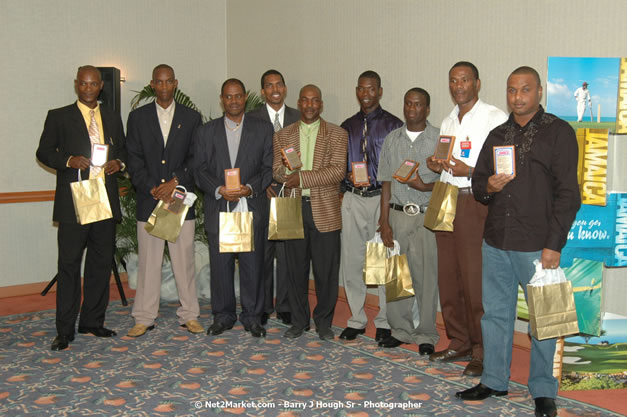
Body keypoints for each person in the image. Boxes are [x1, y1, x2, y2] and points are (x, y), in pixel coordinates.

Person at [457, 66, 581, 417]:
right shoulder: (499, 134)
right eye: (512, 90)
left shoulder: (558, 133)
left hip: (538, 245)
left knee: (542, 320)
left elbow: (569, 194)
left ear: (539, 92)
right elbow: (479, 184)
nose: (517, 97)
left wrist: (554, 244)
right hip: (496, 240)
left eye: (525, 90)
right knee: (495, 314)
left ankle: (543, 389)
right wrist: (488, 187)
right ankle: (495, 379)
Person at [36, 65, 126, 351]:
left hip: (104, 199)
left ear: (101, 86)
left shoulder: (111, 116)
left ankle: (92, 321)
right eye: (83, 84)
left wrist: (119, 164)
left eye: (93, 84)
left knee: (100, 264)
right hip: (75, 200)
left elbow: (123, 151)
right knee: (69, 266)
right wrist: (68, 160)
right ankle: (64, 330)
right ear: (77, 85)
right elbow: (44, 151)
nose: (88, 89)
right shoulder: (59, 116)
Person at [426, 61, 507, 376]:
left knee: (475, 281)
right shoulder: (448, 120)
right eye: (453, 81)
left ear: (477, 83)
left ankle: (481, 351)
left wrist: (471, 171)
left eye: (464, 80)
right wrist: (438, 164)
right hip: (445, 198)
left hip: (475, 202)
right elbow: (446, 160)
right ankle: (458, 340)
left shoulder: (493, 117)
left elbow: (504, 167)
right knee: (449, 277)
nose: (458, 86)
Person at [125, 64, 203, 338]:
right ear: (152, 84)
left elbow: (196, 158)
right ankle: (144, 317)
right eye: (159, 82)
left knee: (184, 261)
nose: (164, 86)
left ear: (175, 83)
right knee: (149, 262)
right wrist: (153, 187)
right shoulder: (137, 117)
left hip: (179, 200)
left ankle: (190, 315)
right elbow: (133, 159)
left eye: (169, 81)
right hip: (150, 200)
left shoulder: (192, 118)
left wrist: (174, 182)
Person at [194, 78, 273, 338]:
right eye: (229, 97)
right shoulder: (206, 132)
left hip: (250, 206)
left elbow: (268, 168)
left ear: (245, 96)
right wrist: (219, 189)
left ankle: (252, 316)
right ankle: (223, 315)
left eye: (238, 96)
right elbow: (200, 171)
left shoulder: (262, 129)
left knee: (253, 265)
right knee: (221, 265)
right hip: (220, 207)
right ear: (222, 99)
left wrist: (249, 188)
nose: (234, 101)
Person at [272, 84, 347, 340]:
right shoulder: (283, 135)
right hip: (294, 209)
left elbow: (337, 171)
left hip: (325, 210)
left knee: (326, 271)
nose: (310, 105)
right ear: (299, 103)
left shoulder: (337, 134)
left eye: (315, 100)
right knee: (295, 270)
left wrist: (301, 178)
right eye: (305, 100)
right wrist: (285, 173)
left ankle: (323, 323)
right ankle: (299, 321)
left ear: (321, 104)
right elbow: (277, 172)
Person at [338, 71, 402, 342]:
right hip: (353, 198)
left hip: (381, 199)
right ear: (356, 91)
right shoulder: (347, 126)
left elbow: (400, 168)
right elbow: (338, 165)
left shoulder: (393, 125)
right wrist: (345, 180)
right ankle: (356, 319)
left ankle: (386, 321)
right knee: (352, 260)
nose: (366, 94)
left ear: (380, 91)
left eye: (371, 89)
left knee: (384, 262)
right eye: (362, 89)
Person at [376, 88, 440, 354]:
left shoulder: (439, 139)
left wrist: (423, 186)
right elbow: (386, 184)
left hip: (426, 217)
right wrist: (384, 221)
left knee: (427, 278)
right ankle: (400, 330)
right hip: (398, 215)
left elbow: (449, 184)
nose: (412, 109)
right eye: (408, 104)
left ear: (427, 109)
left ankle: (426, 334)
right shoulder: (392, 139)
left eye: (418, 104)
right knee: (397, 276)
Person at [247, 69, 300, 326]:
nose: (275, 89)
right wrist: (264, 182)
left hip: (289, 194)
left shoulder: (300, 117)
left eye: (279, 84)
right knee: (263, 253)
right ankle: (264, 305)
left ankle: (286, 305)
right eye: (269, 86)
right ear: (262, 92)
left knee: (287, 252)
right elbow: (247, 158)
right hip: (262, 194)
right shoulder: (250, 118)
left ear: (285, 88)